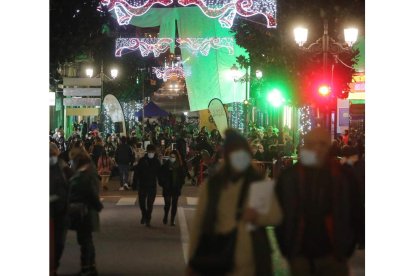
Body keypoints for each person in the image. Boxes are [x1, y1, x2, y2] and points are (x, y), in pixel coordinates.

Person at [187, 129, 282, 276]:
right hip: (217, 257)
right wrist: (192, 260)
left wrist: (257, 215)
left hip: (250, 260)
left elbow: (275, 215)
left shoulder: (257, 183)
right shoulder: (212, 186)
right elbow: (199, 224)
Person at [275, 128, 363, 276]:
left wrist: (347, 247)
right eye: (312, 144)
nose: (317, 148)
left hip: (333, 253)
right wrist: (286, 247)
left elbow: (355, 211)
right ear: (305, 146)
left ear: (329, 147)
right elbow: (279, 214)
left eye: (322, 144)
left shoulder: (343, 177)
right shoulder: (289, 177)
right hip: (300, 253)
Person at [68, 149, 103, 276]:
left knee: (85, 241)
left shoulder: (83, 174)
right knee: (86, 240)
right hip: (87, 211)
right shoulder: (89, 170)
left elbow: (90, 193)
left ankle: (87, 267)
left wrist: (97, 205)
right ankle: (90, 266)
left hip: (84, 211)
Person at [50, 143, 73, 276]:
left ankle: (53, 267)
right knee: (57, 241)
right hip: (57, 210)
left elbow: (71, 183)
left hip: (60, 211)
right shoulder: (63, 167)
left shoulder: (63, 168)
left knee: (58, 241)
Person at [134, 144, 161, 227]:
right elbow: (137, 172)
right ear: (147, 151)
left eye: (152, 152)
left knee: (150, 203)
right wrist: (135, 183)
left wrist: (162, 182)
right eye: (150, 151)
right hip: (142, 184)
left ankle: (148, 218)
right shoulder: (142, 160)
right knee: (142, 203)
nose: (151, 153)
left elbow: (160, 173)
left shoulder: (156, 161)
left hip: (152, 185)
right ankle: (144, 214)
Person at [159, 150, 186, 226]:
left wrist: (180, 184)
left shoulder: (180, 166)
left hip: (176, 187)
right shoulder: (165, 165)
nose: (172, 158)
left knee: (174, 204)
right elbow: (161, 175)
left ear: (176, 157)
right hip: (167, 187)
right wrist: (162, 183)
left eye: (173, 157)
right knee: (167, 204)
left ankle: (172, 219)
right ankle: (166, 215)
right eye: (171, 156)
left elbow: (183, 176)